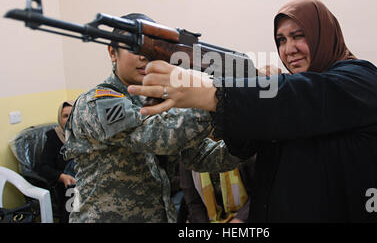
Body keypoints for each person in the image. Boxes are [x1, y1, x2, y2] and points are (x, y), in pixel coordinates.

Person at [128, 0, 377, 222]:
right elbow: (248, 141)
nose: (289, 49)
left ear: (324, 35)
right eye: (281, 40)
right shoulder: (286, 97)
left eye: (298, 36)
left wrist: (210, 91)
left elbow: (297, 99)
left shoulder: (362, 81)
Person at [63, 13, 240, 223]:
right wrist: (215, 95)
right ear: (112, 53)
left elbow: (200, 156)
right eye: (133, 47)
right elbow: (155, 135)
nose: (143, 56)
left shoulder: (157, 101)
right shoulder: (95, 103)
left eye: (151, 49)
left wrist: (250, 142)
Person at [179, 154, 255, 223]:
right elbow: (193, 203)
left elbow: (259, 193)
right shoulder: (189, 154)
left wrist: (239, 219)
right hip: (206, 219)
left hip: (245, 215)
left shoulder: (241, 148)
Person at [38, 100, 76, 223]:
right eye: (65, 116)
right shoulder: (53, 137)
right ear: (60, 118)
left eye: (72, 115)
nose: (69, 119)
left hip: (86, 179)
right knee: (73, 210)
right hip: (68, 185)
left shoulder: (86, 135)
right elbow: (43, 167)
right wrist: (62, 177)